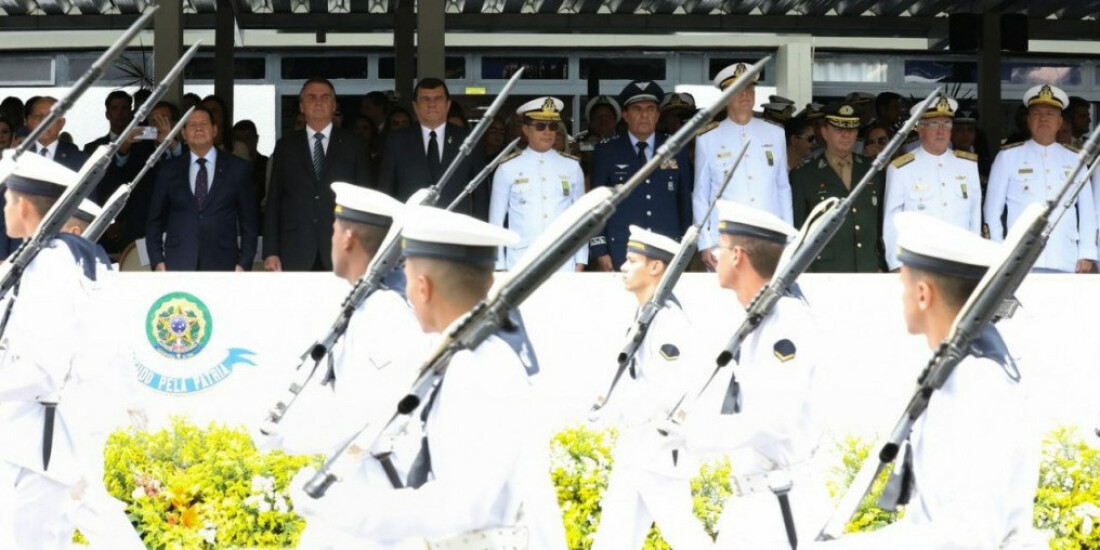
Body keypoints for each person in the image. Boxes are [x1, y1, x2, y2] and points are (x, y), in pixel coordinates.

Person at [290, 205, 567, 549]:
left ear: (423, 287)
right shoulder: (466, 357)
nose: (404, 292)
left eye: (406, 280)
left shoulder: (476, 368)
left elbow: (460, 506)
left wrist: (340, 508)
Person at [810, 212, 1042, 549]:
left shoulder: (974, 384)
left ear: (922, 294)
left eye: (902, 283)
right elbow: (928, 521)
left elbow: (967, 535)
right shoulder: (958, 371)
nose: (900, 294)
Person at [255, 182, 423, 549]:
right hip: (356, 493)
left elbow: (370, 414)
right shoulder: (364, 306)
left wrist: (291, 440)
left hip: (373, 497)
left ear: (347, 238)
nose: (330, 239)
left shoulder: (383, 313)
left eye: (333, 231)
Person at [661, 201, 828, 549]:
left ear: (737, 255)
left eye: (720, 247)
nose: (716, 257)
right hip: (754, 506)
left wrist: (695, 434)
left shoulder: (786, 322)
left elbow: (776, 421)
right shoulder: (759, 319)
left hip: (782, 510)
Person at [0, 153, 116, 548]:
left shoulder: (49, 265)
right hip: (36, 437)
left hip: (37, 442)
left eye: (6, 200)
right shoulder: (45, 260)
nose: (4, 209)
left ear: (25, 205)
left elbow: (42, 370)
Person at [590, 226, 714, 550]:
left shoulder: (668, 321)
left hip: (657, 450)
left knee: (684, 535)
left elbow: (669, 391)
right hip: (638, 446)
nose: (623, 266)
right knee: (614, 539)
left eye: (632, 260)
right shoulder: (647, 314)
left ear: (656, 267)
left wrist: (627, 413)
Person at [985, 84, 1097, 273]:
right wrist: (997, 252)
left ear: (1060, 121)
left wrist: (1086, 253)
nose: (1043, 118)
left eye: (1050, 114)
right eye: (1037, 113)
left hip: (1064, 254)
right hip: (1018, 258)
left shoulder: (1076, 159)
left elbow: (1087, 211)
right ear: (1028, 120)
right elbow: (992, 211)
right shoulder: (1008, 157)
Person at [263, 78, 370, 272]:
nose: (318, 102)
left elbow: (366, 202)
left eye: (325, 97)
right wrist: (271, 250)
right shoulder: (286, 146)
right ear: (302, 107)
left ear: (334, 105)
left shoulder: (354, 145)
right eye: (311, 98)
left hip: (343, 249)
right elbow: (274, 201)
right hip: (295, 249)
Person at [694, 62, 792, 272]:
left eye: (750, 89)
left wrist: (789, 237)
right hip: (726, 240)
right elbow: (701, 196)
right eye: (738, 90)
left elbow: (783, 188)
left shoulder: (775, 133)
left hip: (769, 236)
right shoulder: (708, 137)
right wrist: (705, 242)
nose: (746, 94)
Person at [590, 80, 692, 271]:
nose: (644, 115)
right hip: (621, 248)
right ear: (625, 115)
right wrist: (600, 250)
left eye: (650, 109)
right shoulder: (607, 151)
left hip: (667, 246)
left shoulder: (676, 148)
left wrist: (685, 245)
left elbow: (684, 200)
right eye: (637, 109)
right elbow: (597, 204)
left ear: (657, 115)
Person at [146, 106, 259, 271]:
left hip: (224, 262)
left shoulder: (237, 168)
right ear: (183, 134)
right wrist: (157, 260)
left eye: (204, 123)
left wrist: (243, 263)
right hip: (178, 261)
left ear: (214, 130)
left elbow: (249, 222)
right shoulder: (169, 170)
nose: (198, 128)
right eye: (192, 125)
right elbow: (154, 219)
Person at [883, 95, 982, 271]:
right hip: (919, 261)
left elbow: (974, 215)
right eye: (934, 124)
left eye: (947, 124)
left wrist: (975, 258)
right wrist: (896, 264)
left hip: (960, 260)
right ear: (919, 128)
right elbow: (892, 221)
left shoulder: (968, 165)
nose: (941, 131)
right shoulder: (901, 168)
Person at [488, 97, 586, 272]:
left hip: (563, 262)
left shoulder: (572, 167)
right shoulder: (507, 168)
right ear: (525, 129)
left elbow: (581, 218)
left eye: (552, 126)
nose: (547, 132)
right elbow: (496, 222)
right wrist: (499, 266)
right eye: (540, 126)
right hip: (520, 262)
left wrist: (581, 260)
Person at [790, 102, 884, 272]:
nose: (846, 136)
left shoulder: (872, 170)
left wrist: (882, 264)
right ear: (824, 133)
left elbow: (882, 223)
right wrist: (807, 272)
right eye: (838, 130)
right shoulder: (804, 175)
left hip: (868, 269)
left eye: (851, 130)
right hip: (824, 271)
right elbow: (798, 230)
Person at [377, 78, 488, 219]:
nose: (432, 104)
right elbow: (385, 192)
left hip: (456, 232)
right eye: (425, 99)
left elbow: (481, 196)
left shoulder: (469, 140)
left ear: (448, 105)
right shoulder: (396, 141)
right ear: (415, 106)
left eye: (438, 99)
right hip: (410, 231)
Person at [26, 96, 86, 171]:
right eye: (38, 116)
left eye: (51, 117)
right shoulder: (17, 155)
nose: (44, 122)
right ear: (29, 121)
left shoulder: (78, 158)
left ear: (61, 123)